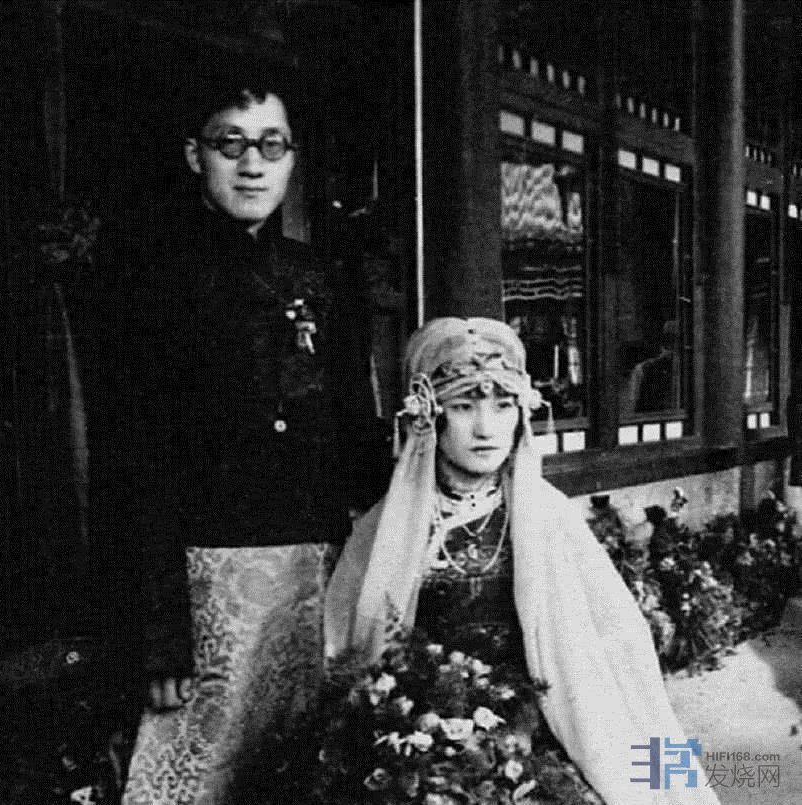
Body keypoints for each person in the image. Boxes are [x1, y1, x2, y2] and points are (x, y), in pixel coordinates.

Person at [114, 77, 385, 804]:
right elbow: (136, 462)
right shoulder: (151, 279)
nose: (252, 165)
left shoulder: (320, 276)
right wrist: (161, 634)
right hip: (207, 584)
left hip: (319, 572)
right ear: (195, 155)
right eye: (230, 144)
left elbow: (355, 428)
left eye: (271, 145)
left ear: (292, 158)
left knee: (315, 770)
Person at [325, 317, 720, 805]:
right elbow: (354, 655)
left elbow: (610, 649)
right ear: (429, 417)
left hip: (540, 731)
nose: (486, 428)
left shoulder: (550, 518)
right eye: (464, 406)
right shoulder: (386, 530)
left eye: (503, 406)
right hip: (426, 738)